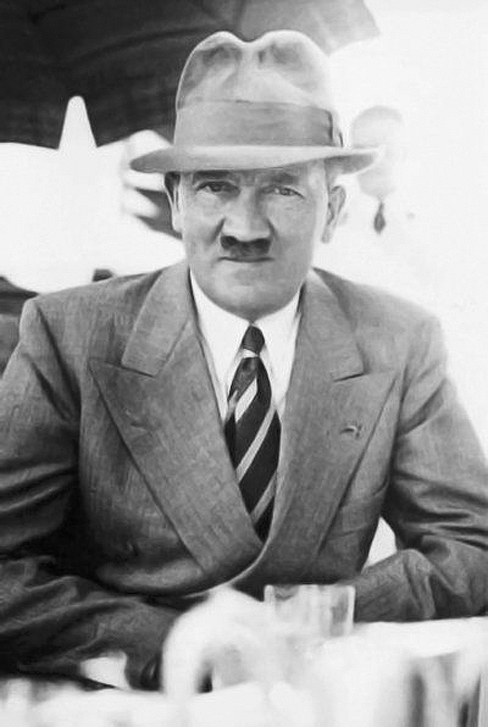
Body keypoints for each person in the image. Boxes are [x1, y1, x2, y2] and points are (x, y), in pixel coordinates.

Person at [0, 30, 487, 692]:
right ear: (176, 202)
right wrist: (171, 646)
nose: (246, 227)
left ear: (333, 209)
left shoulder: (401, 340)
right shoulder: (69, 336)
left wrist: (319, 617)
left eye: (283, 189)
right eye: (215, 187)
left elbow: (471, 547)